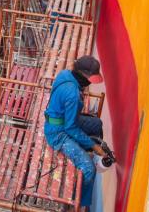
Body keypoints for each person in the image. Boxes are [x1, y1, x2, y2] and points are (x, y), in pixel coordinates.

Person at [44, 55, 106, 209]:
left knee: (96, 124)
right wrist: (93, 145)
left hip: (64, 120)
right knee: (89, 169)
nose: (89, 84)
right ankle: (79, 204)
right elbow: (70, 128)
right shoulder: (72, 94)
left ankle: (86, 150)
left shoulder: (65, 74)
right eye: (89, 80)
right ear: (82, 76)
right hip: (57, 133)